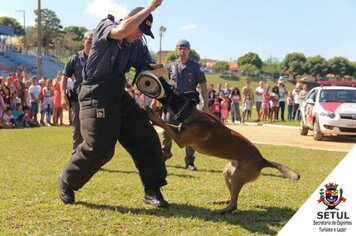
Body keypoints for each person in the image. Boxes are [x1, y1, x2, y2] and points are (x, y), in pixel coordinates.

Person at [58, 0, 169, 208]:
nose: (140, 35)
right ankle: (67, 180)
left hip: (117, 93)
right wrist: (150, 7)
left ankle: (152, 189)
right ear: (130, 20)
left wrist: (159, 75)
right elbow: (120, 31)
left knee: (145, 135)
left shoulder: (137, 45)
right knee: (100, 148)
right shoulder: (106, 26)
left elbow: (146, 69)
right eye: (139, 30)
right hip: (94, 94)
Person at [161, 39, 208, 171]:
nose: (182, 50)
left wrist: (206, 105)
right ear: (176, 50)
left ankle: (189, 162)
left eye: (184, 48)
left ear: (189, 50)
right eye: (179, 48)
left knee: (190, 132)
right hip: (173, 103)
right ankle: (165, 153)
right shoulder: (170, 66)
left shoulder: (195, 66)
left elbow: (203, 86)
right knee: (167, 129)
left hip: (189, 104)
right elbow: (164, 84)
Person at [61, 31, 93, 150]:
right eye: (89, 42)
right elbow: (64, 78)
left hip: (93, 98)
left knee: (93, 129)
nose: (91, 44)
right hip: (78, 98)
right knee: (78, 129)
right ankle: (76, 157)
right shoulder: (74, 59)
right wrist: (63, 97)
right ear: (83, 42)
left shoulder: (98, 58)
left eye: (93, 42)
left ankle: (91, 158)